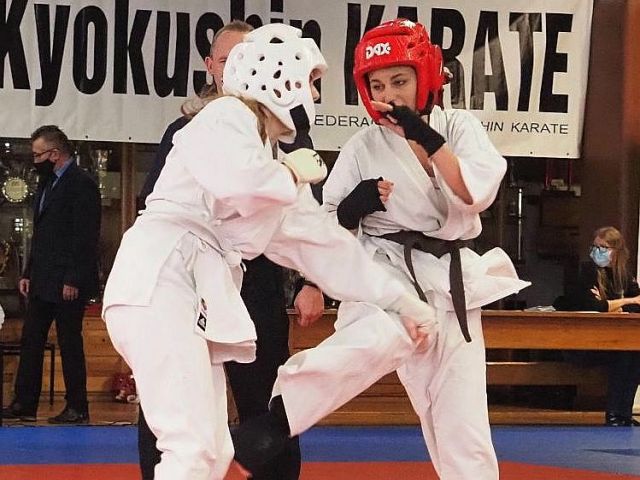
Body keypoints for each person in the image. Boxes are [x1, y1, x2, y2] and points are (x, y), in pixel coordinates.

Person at [102, 23, 434, 480]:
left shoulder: (269, 157)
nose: (313, 96)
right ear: (280, 75)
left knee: (211, 451)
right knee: (191, 447)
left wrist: (401, 301)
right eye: (311, 82)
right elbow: (241, 183)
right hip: (160, 278)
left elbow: (324, 246)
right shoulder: (225, 116)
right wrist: (291, 174)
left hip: (191, 288)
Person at [231, 19, 529, 480]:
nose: (389, 94)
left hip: (452, 280)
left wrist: (423, 137)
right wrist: (353, 208)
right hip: (385, 266)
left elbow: (475, 192)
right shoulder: (363, 146)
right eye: (377, 85)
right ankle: (278, 418)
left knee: (462, 420)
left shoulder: (459, 127)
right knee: (378, 336)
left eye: (400, 81)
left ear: (425, 78)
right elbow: (322, 226)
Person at [136, 20, 324, 480]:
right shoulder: (190, 127)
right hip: (188, 280)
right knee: (176, 399)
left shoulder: (288, 133)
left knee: (266, 394)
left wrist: (313, 281)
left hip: (257, 279)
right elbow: (153, 204)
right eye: (227, 60)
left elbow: (310, 222)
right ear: (211, 66)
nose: (242, 68)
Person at [2, 125, 101, 424]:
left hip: (67, 280)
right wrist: (28, 271)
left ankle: (77, 406)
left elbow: (85, 236)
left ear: (55, 154)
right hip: (42, 277)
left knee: (69, 342)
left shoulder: (81, 184)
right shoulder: (47, 183)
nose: (35, 161)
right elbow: (41, 234)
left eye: (38, 155)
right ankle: (24, 403)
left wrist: (73, 278)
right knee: (31, 339)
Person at [554, 226, 640, 426]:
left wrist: (614, 304)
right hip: (585, 344)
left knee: (634, 354)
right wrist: (627, 301)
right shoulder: (586, 273)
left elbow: (638, 305)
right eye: (595, 246)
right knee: (623, 355)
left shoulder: (623, 276)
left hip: (614, 342)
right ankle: (613, 413)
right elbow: (595, 306)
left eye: (604, 247)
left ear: (616, 251)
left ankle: (624, 413)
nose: (597, 251)